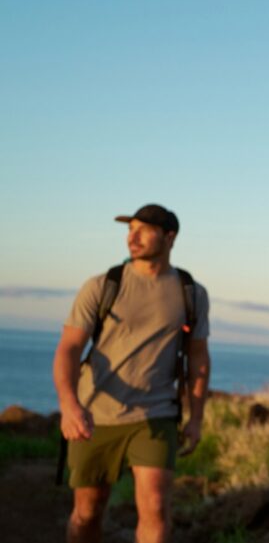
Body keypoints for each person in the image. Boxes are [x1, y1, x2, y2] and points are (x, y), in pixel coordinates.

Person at [53, 204, 211, 543]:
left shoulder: (191, 292)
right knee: (87, 514)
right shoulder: (102, 285)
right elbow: (68, 348)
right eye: (129, 229)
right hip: (95, 415)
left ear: (169, 237)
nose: (132, 237)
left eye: (143, 229)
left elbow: (198, 360)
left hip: (156, 414)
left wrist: (195, 418)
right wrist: (69, 405)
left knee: (156, 507)